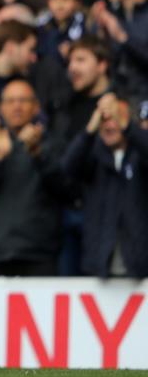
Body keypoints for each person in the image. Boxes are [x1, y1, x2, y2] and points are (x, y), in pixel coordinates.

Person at [0, 79, 65, 276]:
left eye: (23, 100)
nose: (17, 106)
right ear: (1, 108)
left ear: (36, 107)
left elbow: (66, 189)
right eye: (10, 101)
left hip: (39, 254)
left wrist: (39, 154)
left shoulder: (52, 145)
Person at [62, 93, 148, 278]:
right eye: (104, 120)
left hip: (140, 266)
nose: (109, 125)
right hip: (99, 266)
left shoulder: (140, 155)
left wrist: (128, 127)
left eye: (115, 119)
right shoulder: (93, 157)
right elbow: (67, 169)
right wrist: (88, 131)